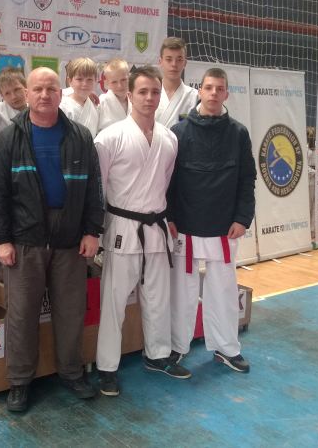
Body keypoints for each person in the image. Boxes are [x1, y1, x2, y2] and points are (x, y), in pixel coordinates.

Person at [0, 67, 105, 412]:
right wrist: (1, 240)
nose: (44, 95)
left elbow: (94, 188)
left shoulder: (80, 136)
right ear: (27, 93)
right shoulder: (8, 139)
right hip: (25, 240)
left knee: (71, 311)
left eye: (51, 88)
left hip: (70, 239)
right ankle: (20, 381)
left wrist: (92, 231)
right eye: (37, 89)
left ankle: (71, 372)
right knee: (22, 315)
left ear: (60, 93)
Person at [94, 65, 188, 398]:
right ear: (129, 94)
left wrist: (169, 218)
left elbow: (166, 183)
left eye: (155, 92)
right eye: (143, 92)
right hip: (122, 228)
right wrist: (95, 232)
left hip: (157, 229)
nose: (149, 98)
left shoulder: (169, 138)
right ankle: (107, 367)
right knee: (114, 302)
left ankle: (158, 355)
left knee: (158, 299)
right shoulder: (108, 138)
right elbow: (97, 188)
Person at [167, 67, 256, 373]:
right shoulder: (179, 133)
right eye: (209, 87)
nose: (214, 93)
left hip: (224, 227)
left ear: (226, 94)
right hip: (186, 226)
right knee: (182, 292)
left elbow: (247, 179)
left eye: (219, 88)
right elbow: (169, 181)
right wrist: (170, 217)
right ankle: (177, 346)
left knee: (224, 291)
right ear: (200, 91)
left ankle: (226, 347)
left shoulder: (238, 134)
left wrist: (243, 217)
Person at [155, 37, 197, 128]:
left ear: (185, 63)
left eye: (179, 60)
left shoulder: (195, 96)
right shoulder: (150, 94)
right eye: (169, 59)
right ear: (160, 62)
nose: (174, 64)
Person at [59, 57, 100, 137]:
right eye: (79, 79)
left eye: (89, 80)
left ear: (96, 80)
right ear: (70, 81)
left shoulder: (95, 106)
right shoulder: (63, 106)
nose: (85, 84)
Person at [97, 58, 130, 131]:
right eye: (114, 82)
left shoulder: (135, 101)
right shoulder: (101, 102)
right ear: (107, 83)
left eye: (123, 80)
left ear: (129, 78)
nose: (120, 86)